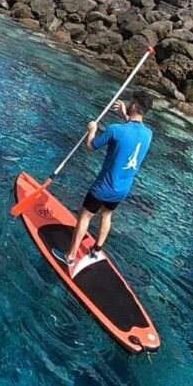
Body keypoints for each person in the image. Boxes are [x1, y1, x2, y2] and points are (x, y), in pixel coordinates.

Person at [52, 92, 154, 270]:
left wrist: (92, 130)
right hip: (122, 190)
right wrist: (124, 115)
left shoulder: (115, 129)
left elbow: (91, 146)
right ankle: (96, 250)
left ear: (135, 106)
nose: (129, 104)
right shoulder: (148, 134)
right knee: (106, 215)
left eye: (131, 102)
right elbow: (131, 133)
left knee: (85, 215)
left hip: (103, 187)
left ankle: (69, 256)